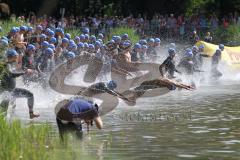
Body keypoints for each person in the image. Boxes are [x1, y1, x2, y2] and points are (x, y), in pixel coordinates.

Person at [0, 49, 39, 119]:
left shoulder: (11, 65)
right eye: (16, 57)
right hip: (7, 92)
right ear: (12, 57)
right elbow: (11, 74)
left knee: (30, 95)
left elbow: (15, 72)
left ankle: (31, 114)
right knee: (3, 112)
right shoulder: (6, 65)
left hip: (12, 90)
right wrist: (24, 73)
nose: (17, 58)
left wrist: (26, 71)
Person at [122, 77, 194, 105]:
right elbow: (176, 84)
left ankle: (127, 97)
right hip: (145, 83)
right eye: (170, 87)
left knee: (137, 92)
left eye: (169, 88)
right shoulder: (166, 81)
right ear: (169, 84)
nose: (168, 88)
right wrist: (186, 88)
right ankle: (127, 97)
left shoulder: (168, 84)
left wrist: (187, 86)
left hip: (147, 85)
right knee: (138, 91)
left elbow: (178, 83)